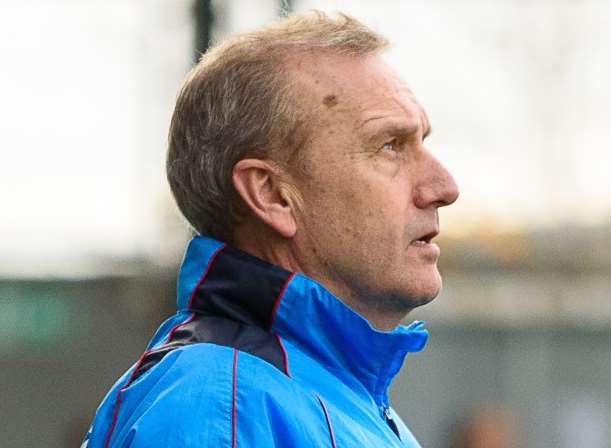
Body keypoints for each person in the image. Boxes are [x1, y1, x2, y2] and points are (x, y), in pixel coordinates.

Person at [83, 10, 458, 448]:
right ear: (272, 195)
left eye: (421, 142)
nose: (443, 188)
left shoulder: (342, 399)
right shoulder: (222, 407)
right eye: (389, 146)